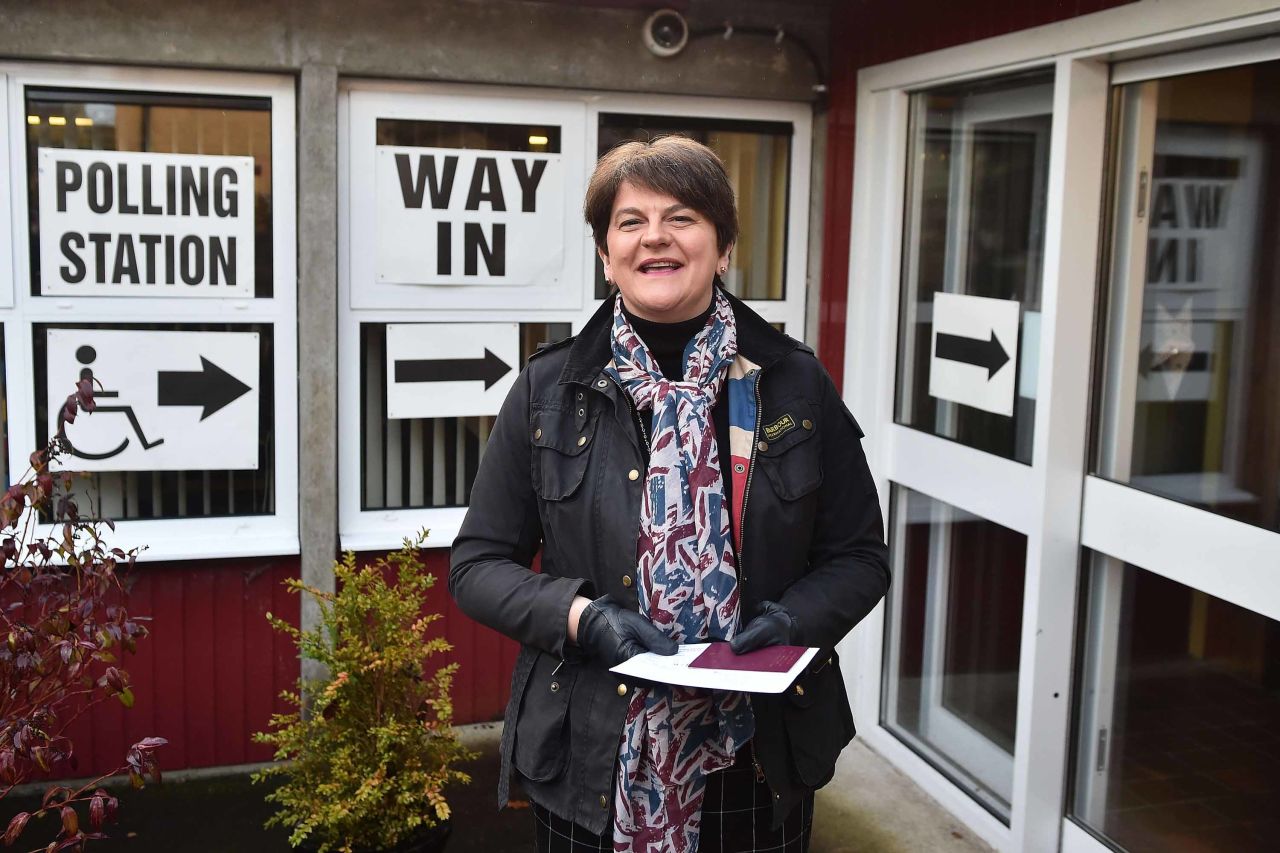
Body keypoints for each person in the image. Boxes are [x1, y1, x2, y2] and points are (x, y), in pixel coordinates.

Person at [449, 136, 889, 853]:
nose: (655, 236)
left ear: (723, 246)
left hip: (756, 756)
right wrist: (583, 617)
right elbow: (477, 565)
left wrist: (788, 620)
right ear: (606, 253)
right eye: (630, 221)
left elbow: (860, 557)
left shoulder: (794, 384)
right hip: (593, 756)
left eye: (682, 216)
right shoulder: (550, 390)